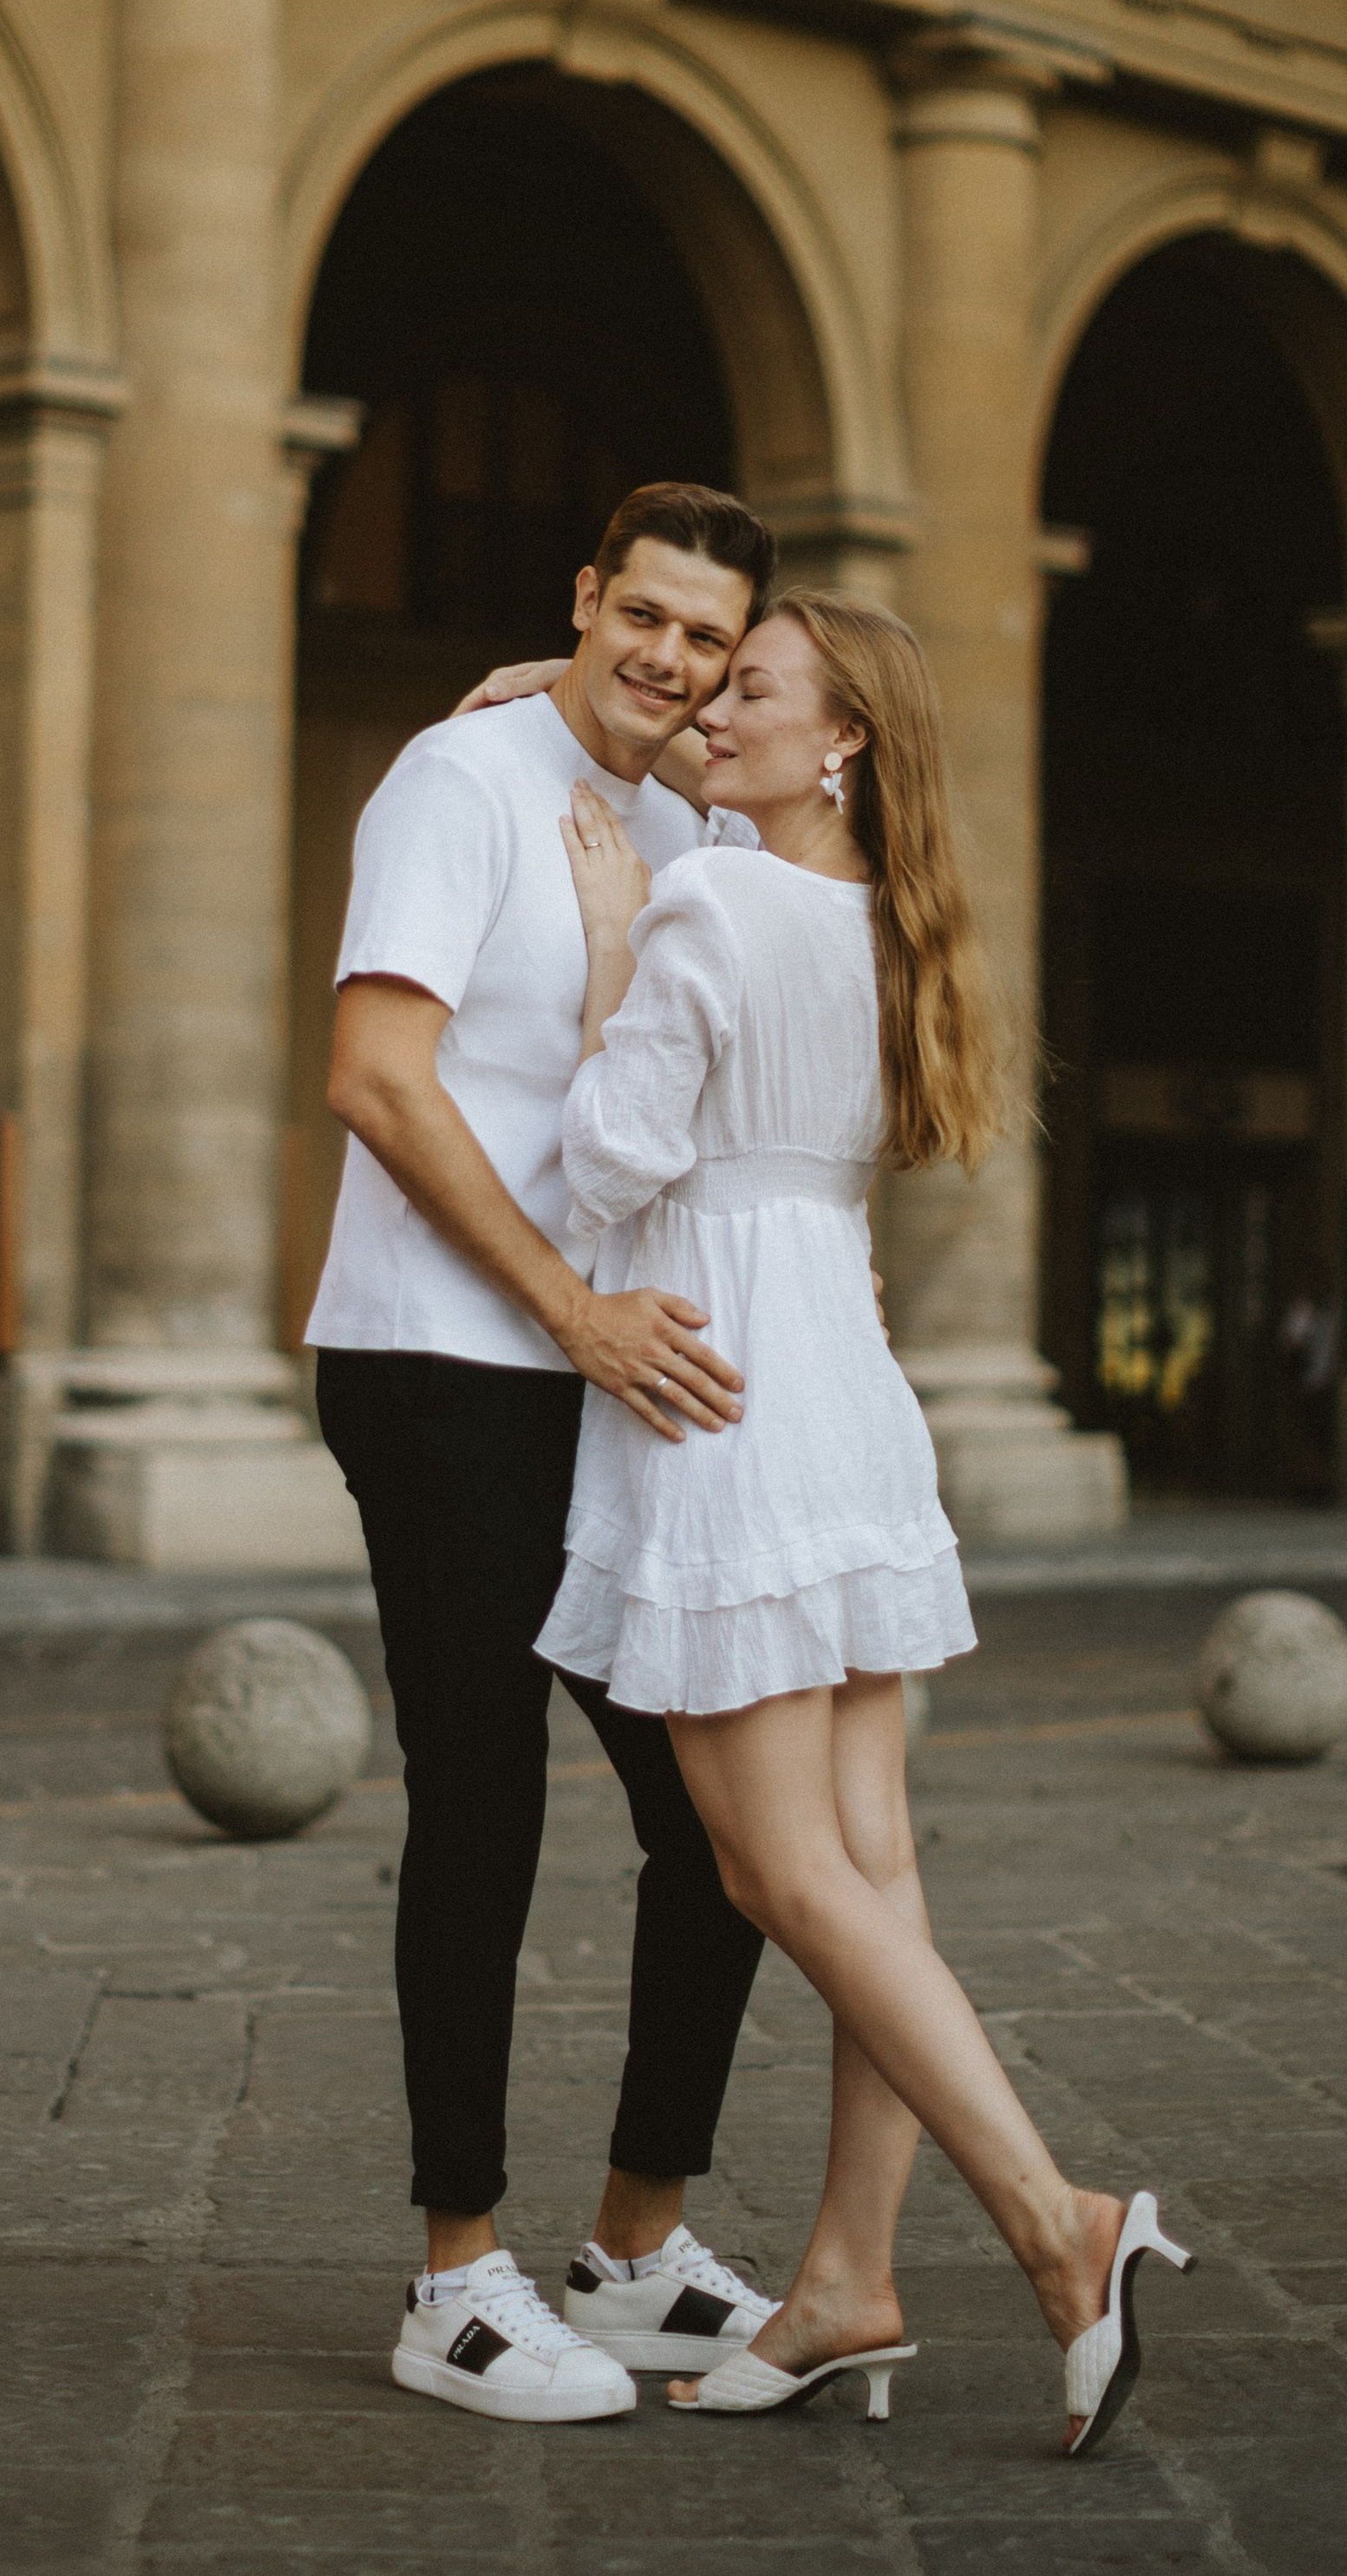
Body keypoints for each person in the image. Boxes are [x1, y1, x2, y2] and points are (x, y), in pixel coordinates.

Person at [538, 590, 1192, 2452]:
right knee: (872, 1867)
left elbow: (606, 1166)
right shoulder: (885, 923)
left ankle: (1058, 2223)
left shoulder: (708, 902)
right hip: (836, 1366)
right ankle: (844, 2281)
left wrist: (610, 954)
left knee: (779, 1873)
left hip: (725, 1386)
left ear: (840, 743)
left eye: (751, 688)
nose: (711, 708)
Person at [308, 483, 788, 2425]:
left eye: (705, 636)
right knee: (483, 1798)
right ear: (585, 596)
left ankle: (636, 2243)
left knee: (723, 1821)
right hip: (437, 1359)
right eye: (640, 613)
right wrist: (571, 1311)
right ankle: (454, 2277)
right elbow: (374, 1076)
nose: (667, 656)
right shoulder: (459, 780)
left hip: (596, 1374)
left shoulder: (691, 823)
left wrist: (605, 1333)